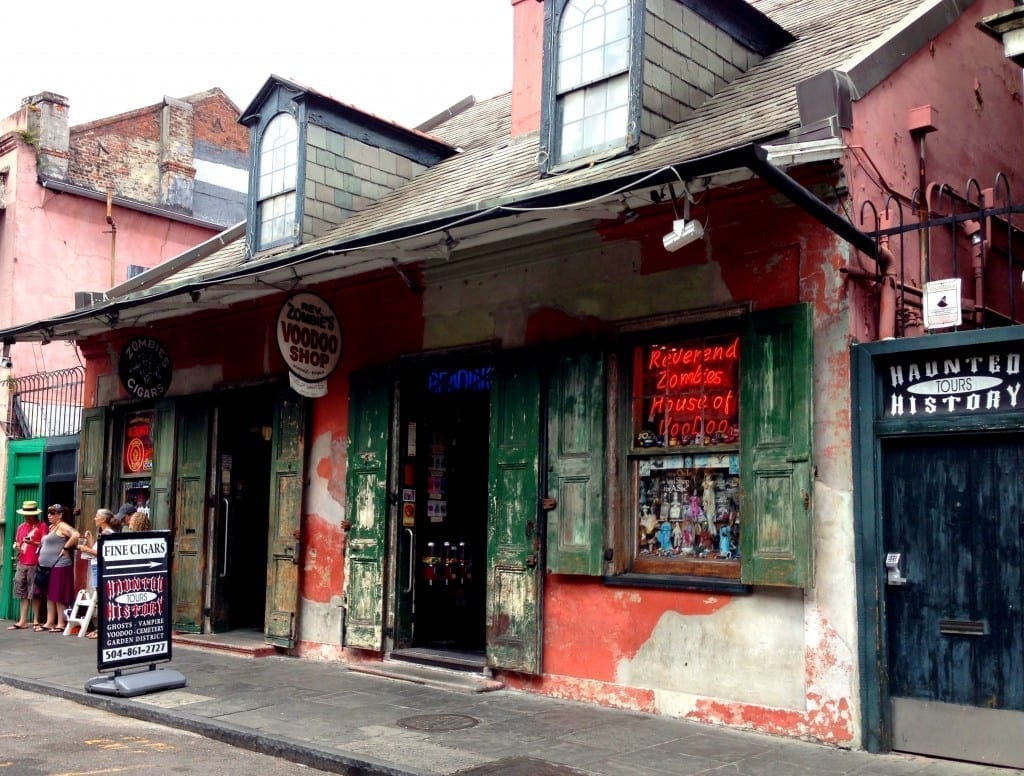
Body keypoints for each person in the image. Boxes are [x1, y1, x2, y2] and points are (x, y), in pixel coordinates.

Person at [35, 504, 79, 633]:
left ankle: (60, 623)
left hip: (60, 564)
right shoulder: (52, 527)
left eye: (53, 512)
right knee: (50, 594)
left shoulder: (62, 526)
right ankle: (50, 622)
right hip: (48, 566)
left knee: (59, 594)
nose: (50, 515)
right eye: (49, 512)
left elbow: (76, 535)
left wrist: (66, 547)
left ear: (60, 515)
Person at [76, 508, 116, 638]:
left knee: (103, 599)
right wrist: (90, 540)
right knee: (101, 598)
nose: (95, 518)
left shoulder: (107, 533)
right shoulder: (104, 533)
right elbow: (97, 551)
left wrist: (85, 548)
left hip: (100, 568)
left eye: (97, 516)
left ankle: (103, 629)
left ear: (103, 519)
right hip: (96, 567)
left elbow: (102, 554)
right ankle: (101, 629)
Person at [7, 500, 47, 630]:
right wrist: (17, 547)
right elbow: (17, 542)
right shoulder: (21, 527)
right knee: (22, 591)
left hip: (36, 562)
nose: (27, 517)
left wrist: (32, 543)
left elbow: (44, 544)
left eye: (29, 515)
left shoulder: (42, 526)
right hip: (22, 561)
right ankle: (22, 620)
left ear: (35, 514)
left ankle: (36, 621)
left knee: (35, 592)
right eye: (25, 515)